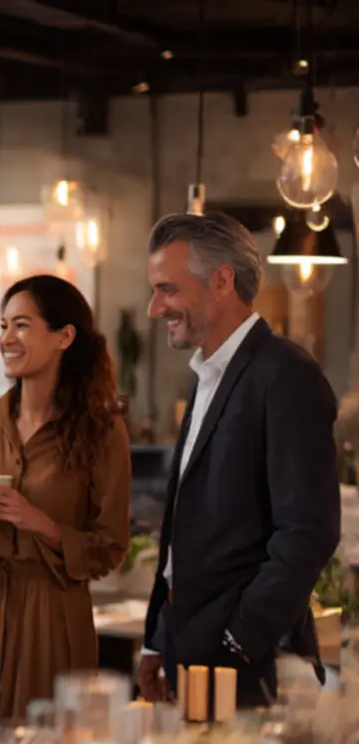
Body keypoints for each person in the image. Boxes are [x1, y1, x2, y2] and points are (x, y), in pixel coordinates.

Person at [136, 213, 338, 707]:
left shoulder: (286, 375)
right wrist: (157, 638)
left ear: (222, 280)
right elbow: (188, 535)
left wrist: (241, 639)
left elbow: (308, 530)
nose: (153, 307)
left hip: (244, 660)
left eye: (167, 289)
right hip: (187, 646)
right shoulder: (206, 375)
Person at [0, 274, 130, 744]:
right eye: (3, 326)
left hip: (51, 613)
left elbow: (110, 547)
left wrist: (35, 519)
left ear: (64, 336)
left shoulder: (102, 430)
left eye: (22, 325)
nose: (6, 339)